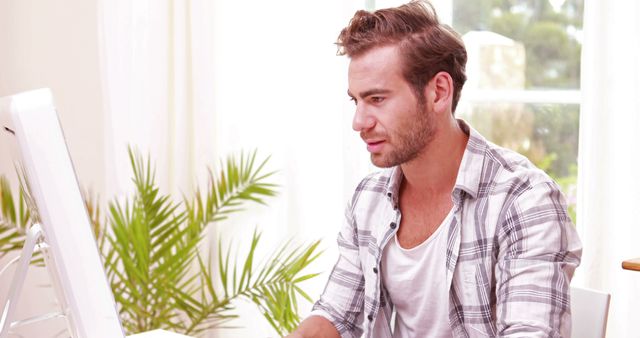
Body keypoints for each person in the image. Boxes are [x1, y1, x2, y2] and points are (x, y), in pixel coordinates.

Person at [287, 1, 582, 337]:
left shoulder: (524, 201)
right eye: (357, 101)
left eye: (378, 99)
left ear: (439, 92)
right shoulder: (369, 199)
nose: (359, 122)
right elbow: (337, 315)